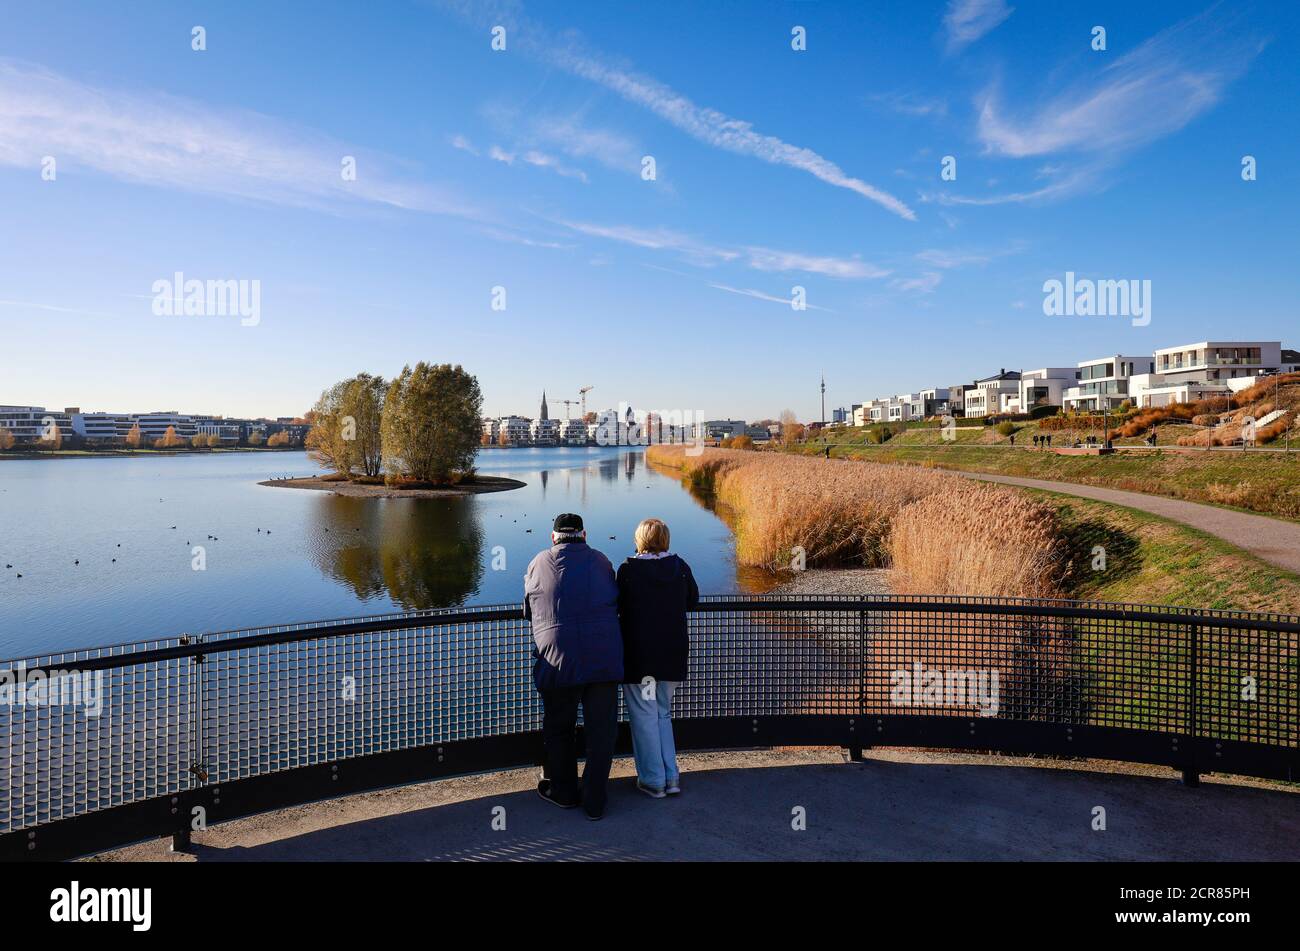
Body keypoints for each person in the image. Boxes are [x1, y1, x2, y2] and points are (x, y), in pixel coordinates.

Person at [524, 513, 623, 820]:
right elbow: (615, 599)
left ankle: (564, 792)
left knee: (559, 728)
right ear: (584, 534)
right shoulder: (602, 560)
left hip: (557, 659)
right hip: (603, 657)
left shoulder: (538, 562)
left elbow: (528, 609)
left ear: (553, 537)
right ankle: (595, 800)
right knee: (602, 731)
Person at [616, 518, 699, 799]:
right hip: (671, 654)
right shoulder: (680, 567)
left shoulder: (628, 570)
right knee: (662, 713)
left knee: (644, 717)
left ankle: (653, 780)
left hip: (640, 657)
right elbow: (693, 600)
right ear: (666, 538)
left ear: (639, 539)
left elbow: (617, 605)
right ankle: (671, 776)